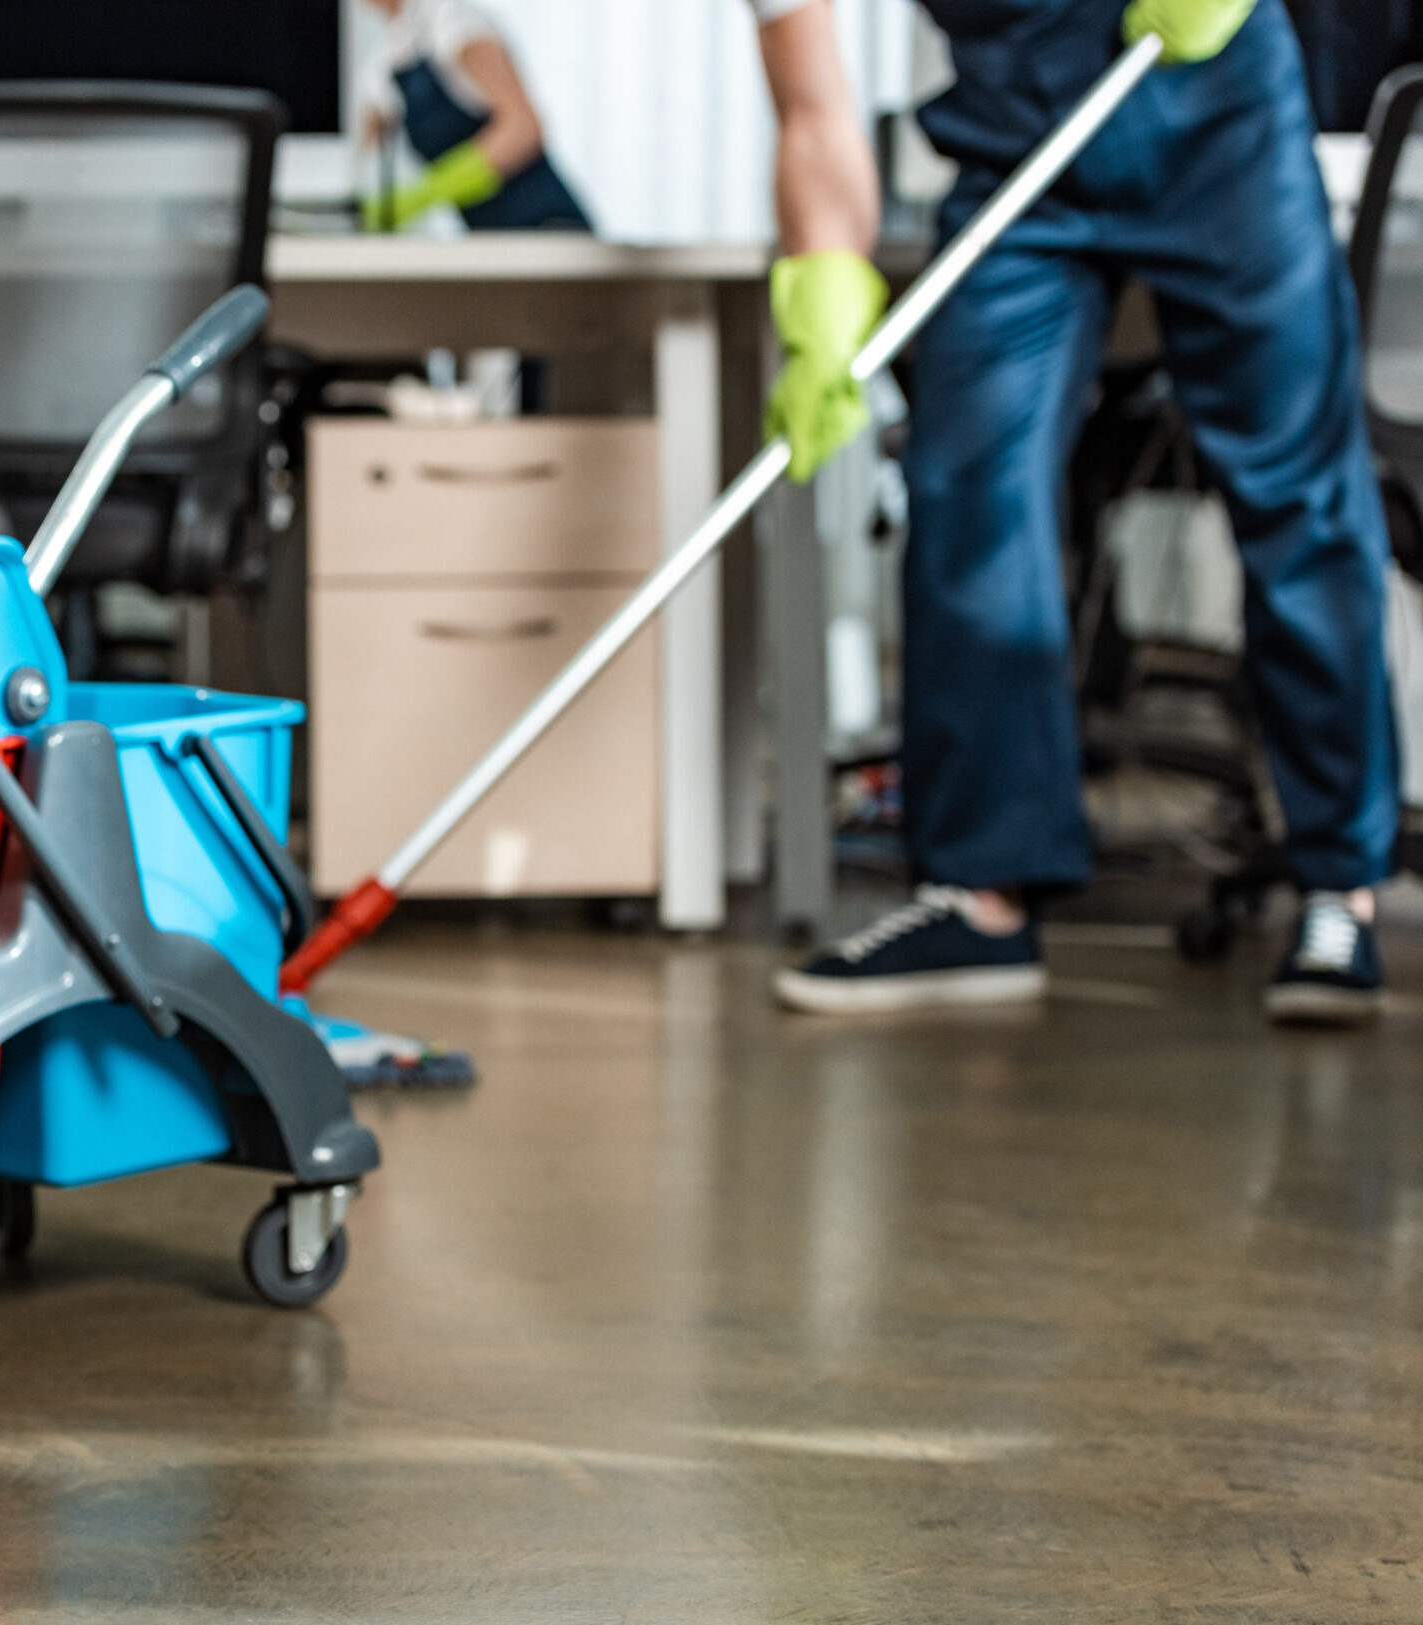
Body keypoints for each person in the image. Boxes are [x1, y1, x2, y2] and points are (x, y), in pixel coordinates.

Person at [754, 0, 1401, 1024]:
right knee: (966, 481)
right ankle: (982, 893)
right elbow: (811, 110)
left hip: (1215, 113)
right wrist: (822, 285)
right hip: (1020, 153)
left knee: (1296, 491)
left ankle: (1338, 887)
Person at [357, 0, 593, 231]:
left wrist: (428, 193)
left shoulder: (454, 21)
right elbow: (367, 154)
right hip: (489, 241)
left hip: (548, 229)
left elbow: (524, 127)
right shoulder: (383, 66)